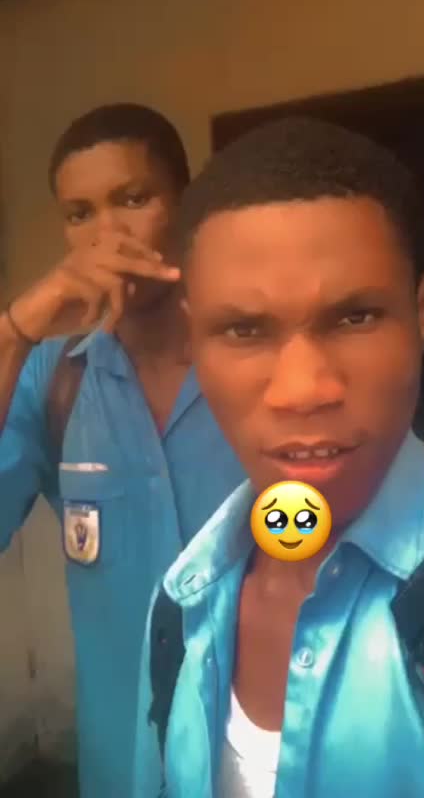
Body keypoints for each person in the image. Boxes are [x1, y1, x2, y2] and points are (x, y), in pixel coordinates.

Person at [135, 116, 424, 797]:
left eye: (355, 317)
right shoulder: (179, 604)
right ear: (193, 339)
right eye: (244, 329)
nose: (304, 390)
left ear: (421, 315)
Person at [0, 103, 245, 798]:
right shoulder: (53, 378)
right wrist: (15, 331)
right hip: (124, 770)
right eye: (80, 214)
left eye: (133, 199)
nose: (106, 236)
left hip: (266, 764)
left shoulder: (254, 361)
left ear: (186, 205)